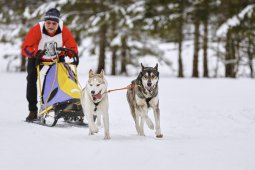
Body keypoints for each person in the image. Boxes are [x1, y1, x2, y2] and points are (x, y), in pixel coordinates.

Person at [22, 8, 78, 122]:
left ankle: (67, 108)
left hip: (57, 56)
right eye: (48, 23)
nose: (51, 26)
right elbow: (25, 47)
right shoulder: (37, 29)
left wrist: (71, 53)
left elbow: (72, 47)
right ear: (44, 22)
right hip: (37, 56)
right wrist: (34, 53)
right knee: (31, 79)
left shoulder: (64, 30)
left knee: (66, 78)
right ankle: (32, 111)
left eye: (54, 23)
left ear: (58, 23)